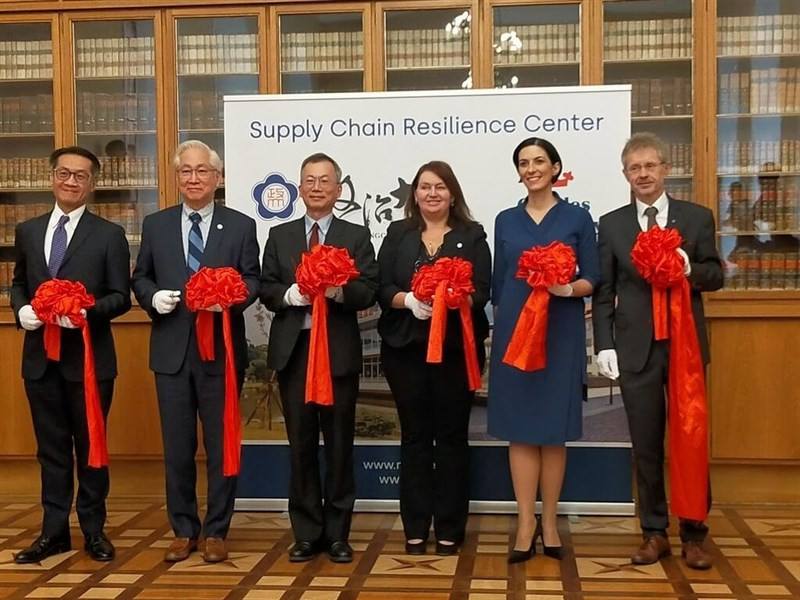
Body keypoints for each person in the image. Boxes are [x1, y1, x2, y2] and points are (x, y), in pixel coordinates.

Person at [592, 132, 723, 570]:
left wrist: (688, 266)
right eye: (635, 168)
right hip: (635, 349)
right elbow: (605, 291)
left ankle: (694, 533)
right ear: (625, 174)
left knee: (690, 438)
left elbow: (714, 275)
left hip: (685, 347)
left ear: (666, 169)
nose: (643, 174)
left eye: (650, 166)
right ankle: (653, 531)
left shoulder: (696, 218)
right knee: (645, 444)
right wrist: (604, 345)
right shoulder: (612, 225)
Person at [131, 140, 260, 563]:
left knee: (222, 445)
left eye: (202, 170)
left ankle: (217, 530)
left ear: (217, 178)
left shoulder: (240, 226)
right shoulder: (156, 224)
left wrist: (232, 298)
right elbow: (141, 277)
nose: (193, 178)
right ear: (176, 177)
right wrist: (153, 298)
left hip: (221, 352)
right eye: (185, 171)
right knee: (178, 445)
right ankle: (183, 529)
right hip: (171, 350)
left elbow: (253, 281)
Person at [11, 146, 131, 563]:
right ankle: (54, 532)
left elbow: (121, 297)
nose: (72, 181)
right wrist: (21, 309)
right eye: (65, 173)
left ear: (92, 185)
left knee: (91, 447)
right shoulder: (27, 230)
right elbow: (19, 284)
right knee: (52, 450)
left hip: (90, 362)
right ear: (52, 178)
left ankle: (94, 531)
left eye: (81, 176)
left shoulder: (109, 235)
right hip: (40, 362)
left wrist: (85, 312)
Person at [260, 152, 378, 563]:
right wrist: (290, 295)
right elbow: (266, 287)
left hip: (338, 353)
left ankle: (339, 533)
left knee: (341, 444)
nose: (316, 187)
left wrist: (338, 291)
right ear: (299, 187)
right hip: (296, 353)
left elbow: (370, 289)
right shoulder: (281, 235)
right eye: (309, 180)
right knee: (301, 445)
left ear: (338, 188)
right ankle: (307, 532)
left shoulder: (355, 235)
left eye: (324, 180)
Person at [488, 137, 599, 564]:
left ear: (556, 167)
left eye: (539, 161)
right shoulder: (504, 219)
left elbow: (592, 278)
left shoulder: (577, 217)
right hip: (515, 334)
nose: (531, 168)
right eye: (523, 162)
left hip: (561, 332)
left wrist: (566, 287)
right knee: (520, 429)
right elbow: (500, 284)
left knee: (553, 431)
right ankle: (524, 524)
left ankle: (550, 523)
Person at [377, 161, 491, 556]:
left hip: (456, 352)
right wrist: (408, 300)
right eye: (424, 187)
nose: (431, 194)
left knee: (452, 439)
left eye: (439, 187)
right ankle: (414, 526)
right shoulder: (398, 233)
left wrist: (452, 299)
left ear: (452, 193)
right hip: (405, 351)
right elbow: (381, 287)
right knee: (414, 438)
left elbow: (483, 290)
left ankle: (449, 528)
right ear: (415, 194)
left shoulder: (472, 235)